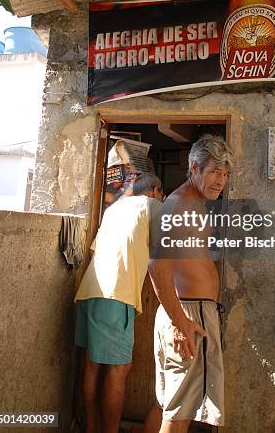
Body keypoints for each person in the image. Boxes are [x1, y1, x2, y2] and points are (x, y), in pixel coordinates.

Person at [144, 134, 234, 433]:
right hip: (187, 314)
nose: (220, 181)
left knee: (173, 403)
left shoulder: (195, 205)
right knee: (178, 410)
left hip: (194, 314)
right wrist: (180, 322)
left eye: (224, 174)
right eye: (213, 172)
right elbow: (158, 268)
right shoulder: (179, 206)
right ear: (194, 168)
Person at [74, 172, 164, 433]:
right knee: (119, 369)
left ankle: (91, 428)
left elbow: (93, 250)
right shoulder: (153, 206)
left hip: (89, 290)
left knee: (91, 364)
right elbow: (168, 248)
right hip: (116, 296)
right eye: (161, 194)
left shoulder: (113, 211)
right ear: (155, 190)